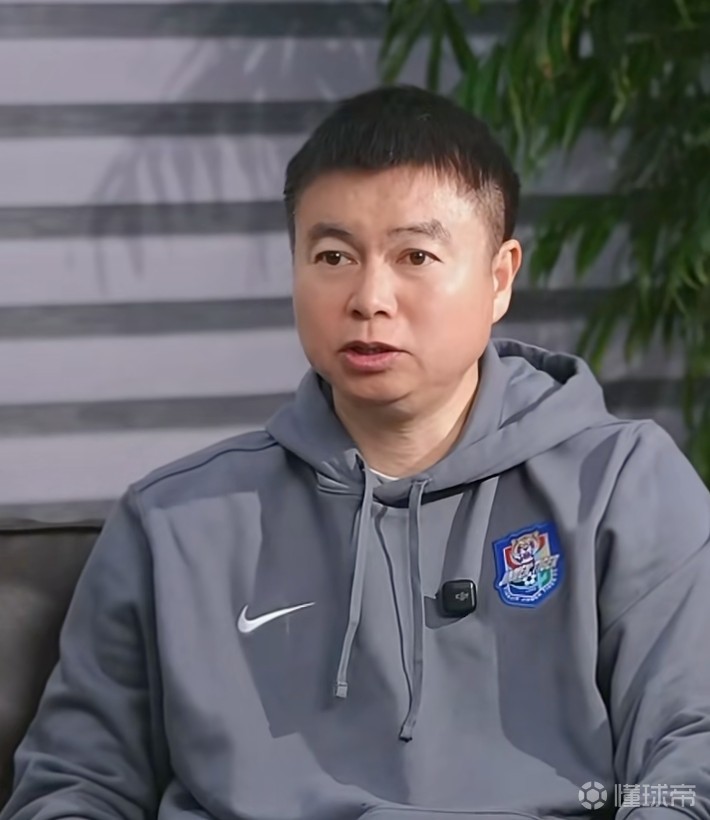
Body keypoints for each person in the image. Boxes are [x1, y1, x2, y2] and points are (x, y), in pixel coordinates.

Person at [2, 84, 709, 820]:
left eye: (416, 255)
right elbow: (76, 786)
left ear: (499, 278)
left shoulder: (620, 485)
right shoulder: (174, 523)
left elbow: (692, 757)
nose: (370, 297)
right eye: (334, 255)